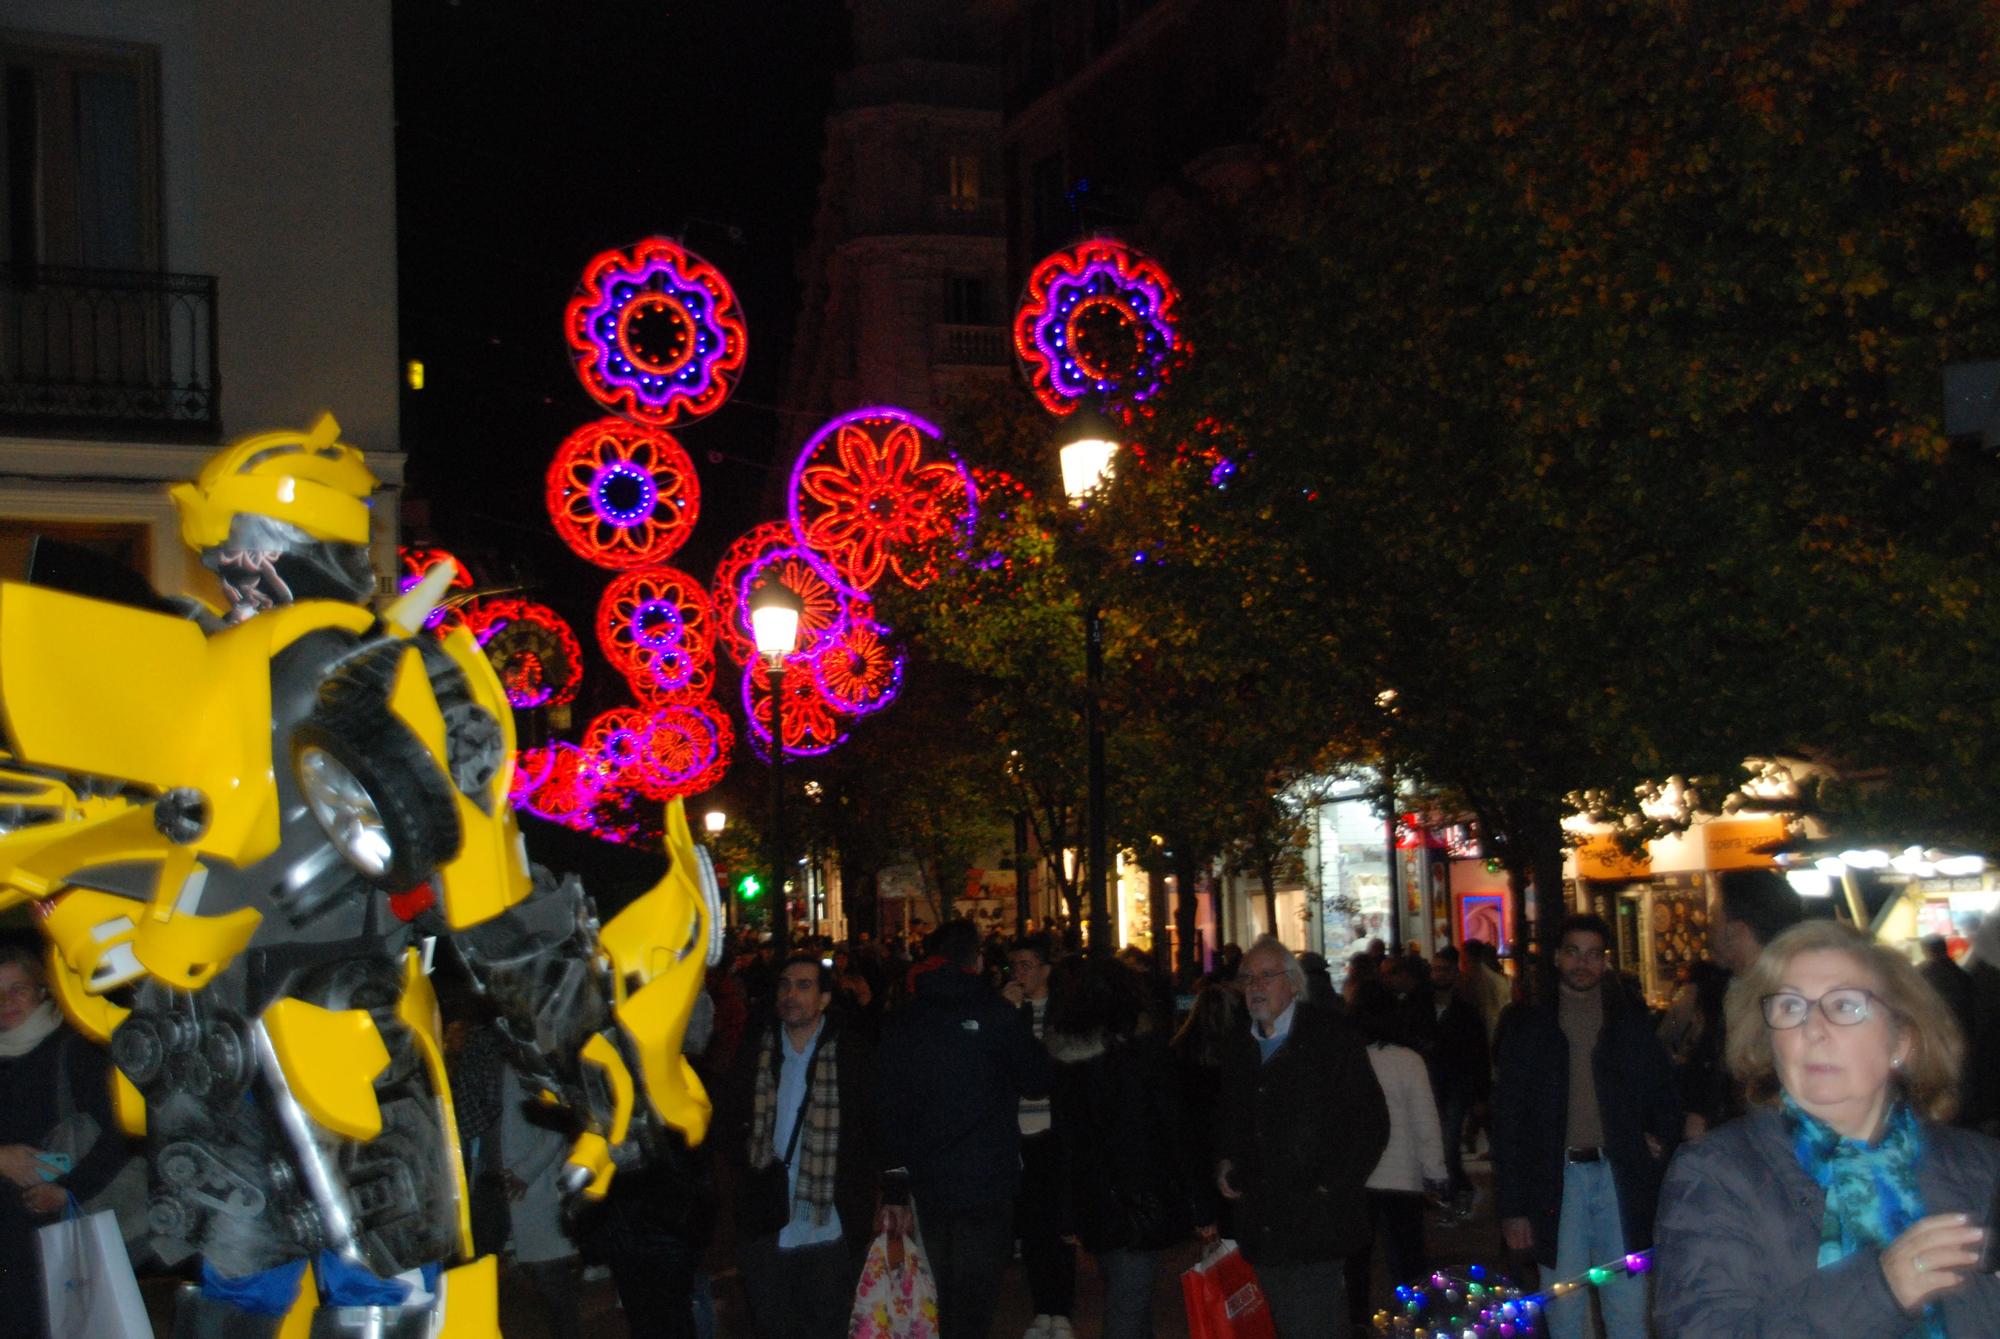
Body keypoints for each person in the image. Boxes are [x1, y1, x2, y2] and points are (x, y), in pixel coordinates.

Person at [1654, 919, 2000, 1335]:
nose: (1813, 1029)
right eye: (1790, 1007)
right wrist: (1880, 1289)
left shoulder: (1979, 1168)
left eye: (1845, 1006)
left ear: (1901, 1041)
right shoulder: (1719, 1174)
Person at [1493, 915, 1682, 1339]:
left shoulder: (1629, 1024)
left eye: (1594, 955)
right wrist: (1513, 1207)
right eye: (1574, 952)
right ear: (1558, 958)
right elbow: (1508, 1119)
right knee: (1563, 1304)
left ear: (1605, 962)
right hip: (1556, 1180)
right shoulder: (1529, 1026)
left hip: (1619, 1178)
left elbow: (1664, 1093)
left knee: (1628, 1303)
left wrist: (1658, 1138)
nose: (1584, 963)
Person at [879, 920, 1052, 1339]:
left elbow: (890, 1107)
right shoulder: (993, 1013)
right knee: (975, 1298)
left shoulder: (905, 1019)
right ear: (976, 959)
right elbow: (1037, 1078)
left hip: (930, 1178)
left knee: (937, 1291)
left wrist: (896, 1188)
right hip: (986, 1175)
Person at [1215, 935, 1388, 1337]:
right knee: (1309, 1322)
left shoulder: (1329, 1038)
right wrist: (1225, 1160)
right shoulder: (1240, 1045)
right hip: (1263, 1219)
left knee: (1304, 1321)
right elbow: (1229, 1116)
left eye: (1267, 976)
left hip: (1316, 1219)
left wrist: (1330, 1186)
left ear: (1293, 984)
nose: (1255, 987)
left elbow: (1370, 1122)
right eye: (1248, 978)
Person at [733, 953, 882, 1339]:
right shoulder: (755, 1053)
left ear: (825, 998)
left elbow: (876, 1129)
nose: (790, 994)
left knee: (824, 1327)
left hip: (827, 1224)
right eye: (784, 984)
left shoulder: (851, 1054)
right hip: (767, 1223)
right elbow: (728, 1123)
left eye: (803, 986)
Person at [1047, 956, 1196, 1339]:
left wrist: (1067, 1211)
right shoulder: (1142, 1053)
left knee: (1127, 1295)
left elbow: (1065, 1141)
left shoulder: (1070, 1059)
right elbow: (1172, 1127)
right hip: (1139, 1196)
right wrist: (1199, 1199)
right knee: (1129, 1305)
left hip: (1094, 1198)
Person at [0, 943, 134, 1339]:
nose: (6, 1001)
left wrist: (68, 1190)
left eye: (18, 988)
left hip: (50, 1231)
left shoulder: (76, 1050)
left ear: (44, 991)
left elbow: (125, 1133)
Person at [1342, 977, 1448, 1329]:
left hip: (1360, 1176)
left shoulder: (1348, 1059)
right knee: (1408, 1264)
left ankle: (1357, 1326)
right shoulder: (1409, 1061)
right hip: (1403, 1177)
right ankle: (1414, 1325)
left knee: (1357, 1265)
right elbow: (1424, 1121)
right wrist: (1435, 1171)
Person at [1683, 869, 1808, 1138]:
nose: (1707, 925)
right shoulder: (1729, 993)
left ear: (1734, 930)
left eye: (1714, 914)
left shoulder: (1783, 1004)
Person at [1002, 932, 1073, 1339]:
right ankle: (1042, 1309)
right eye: (1014, 966)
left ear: (1046, 970)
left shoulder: (1064, 1013)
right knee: (1030, 1228)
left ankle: (1059, 1309)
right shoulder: (1008, 1011)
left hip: (1054, 1129)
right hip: (1018, 1132)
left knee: (1058, 1223)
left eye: (1027, 965)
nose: (1019, 973)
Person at [1427, 947, 1490, 1217]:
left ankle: (1454, 1194)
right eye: (1435, 969)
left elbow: (1478, 1053)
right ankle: (1456, 1190)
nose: (1439, 975)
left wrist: (1480, 1095)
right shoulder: (1421, 1008)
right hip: (1433, 1084)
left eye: (1444, 969)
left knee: (1449, 1143)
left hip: (1456, 1084)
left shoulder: (1466, 1012)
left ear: (1455, 972)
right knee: (1439, 1144)